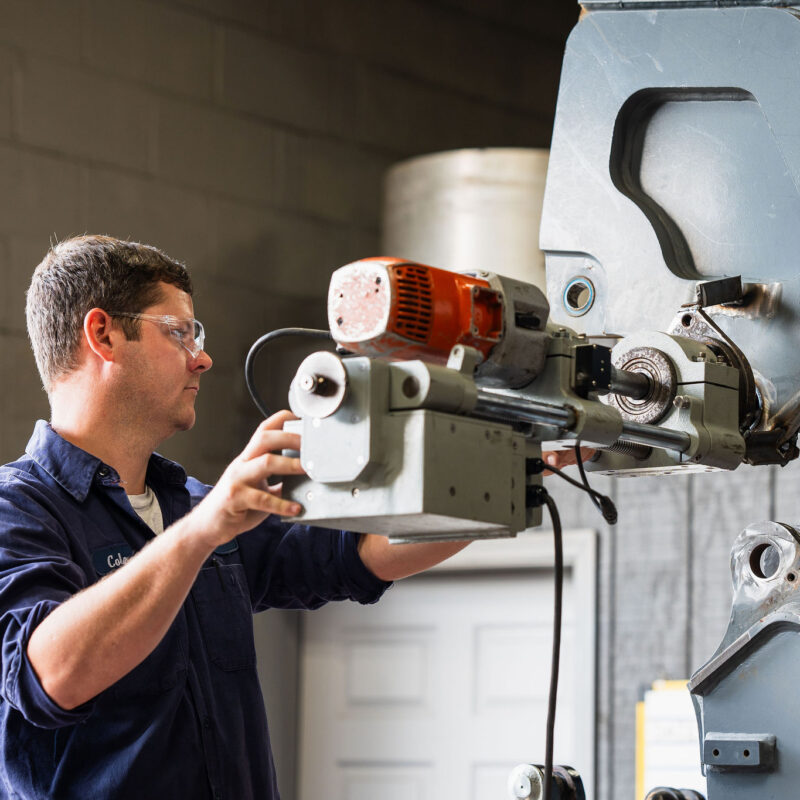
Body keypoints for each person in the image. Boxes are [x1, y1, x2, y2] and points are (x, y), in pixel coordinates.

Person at [0, 235, 472, 800]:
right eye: (178, 332)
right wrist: (203, 532)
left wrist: (514, 471)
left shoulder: (192, 504)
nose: (202, 357)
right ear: (102, 335)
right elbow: (52, 675)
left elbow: (365, 553)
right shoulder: (18, 510)